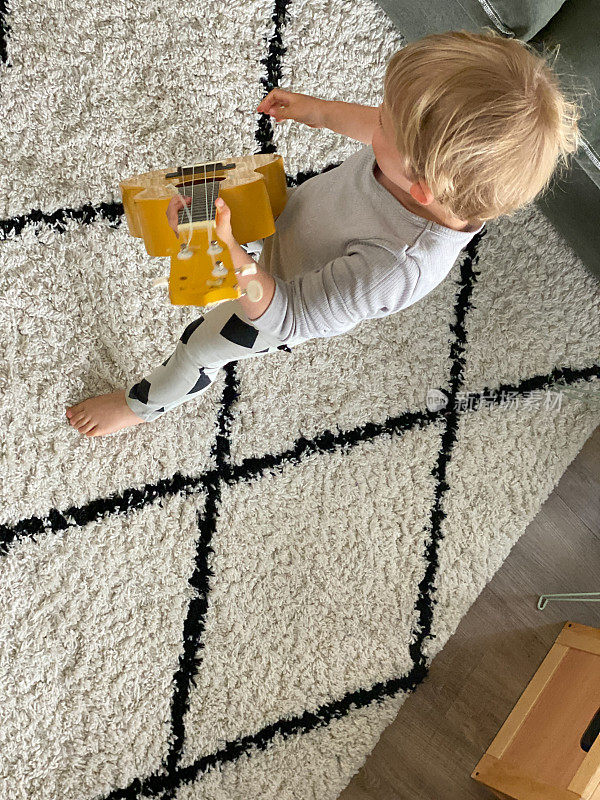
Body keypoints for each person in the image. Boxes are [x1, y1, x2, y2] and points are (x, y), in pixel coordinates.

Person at [66, 28, 581, 437]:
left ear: (421, 187)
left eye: (384, 124)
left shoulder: (395, 266)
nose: (372, 121)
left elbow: (287, 318)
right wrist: (317, 112)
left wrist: (228, 252)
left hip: (275, 297)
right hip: (297, 227)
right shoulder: (426, 171)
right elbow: (377, 126)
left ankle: (142, 405)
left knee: (200, 347)